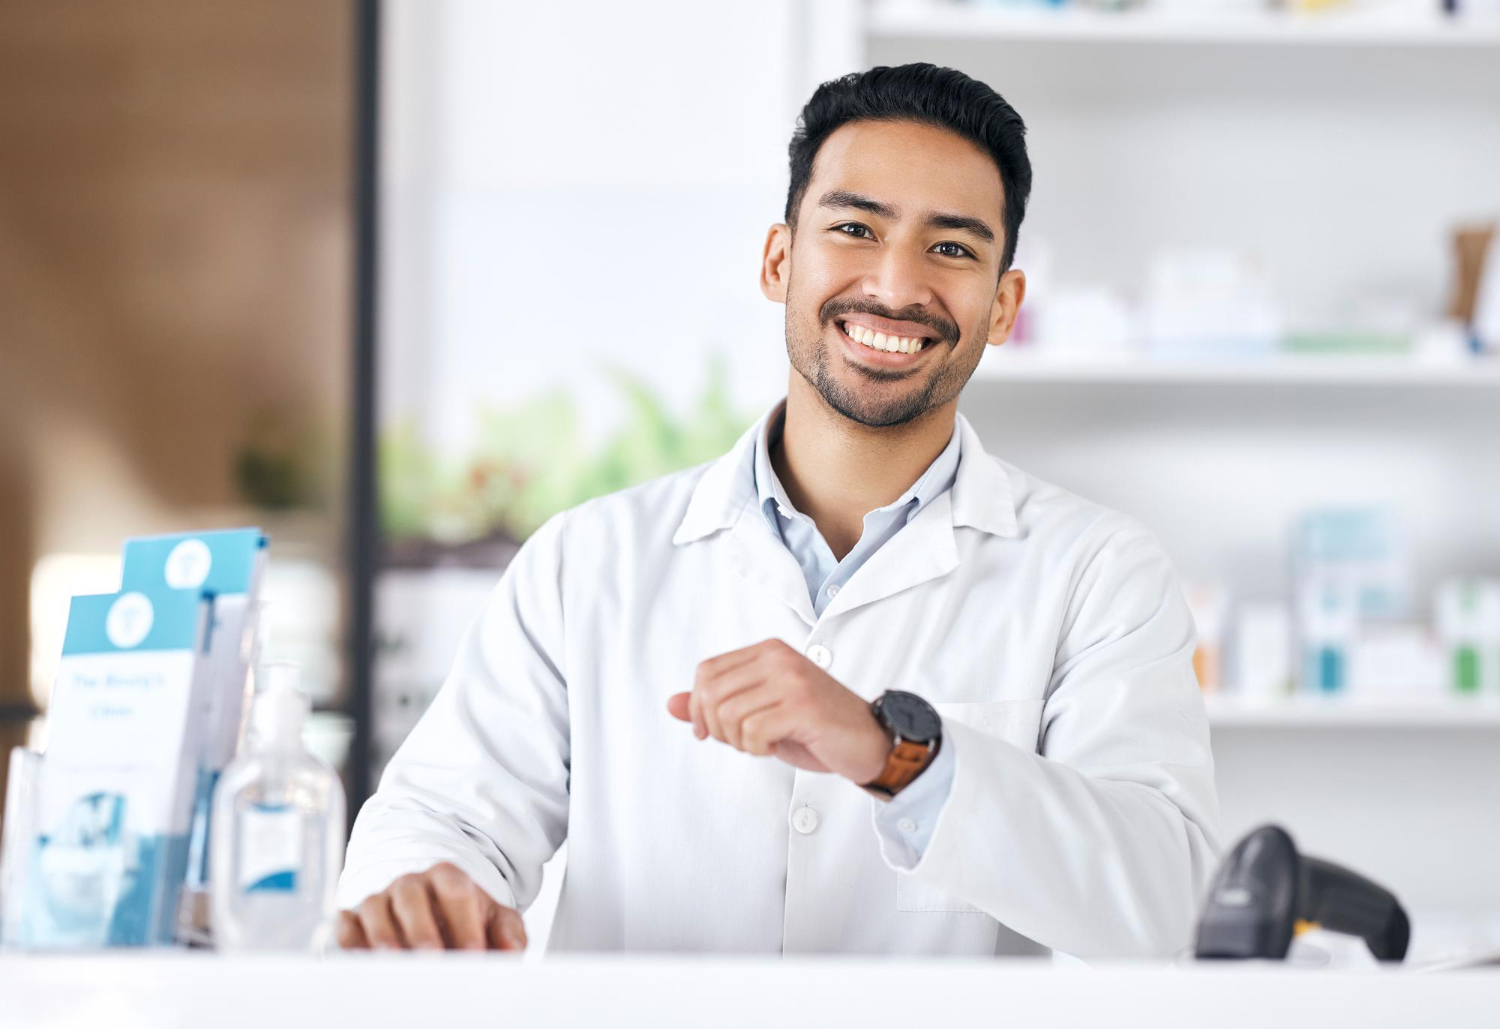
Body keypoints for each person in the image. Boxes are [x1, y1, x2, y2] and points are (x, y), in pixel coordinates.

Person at [336, 63, 1220, 959]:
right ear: (779, 260)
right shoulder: (589, 560)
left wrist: (895, 755)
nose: (895, 283)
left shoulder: (1097, 573)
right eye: (853, 228)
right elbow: (440, 823)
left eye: (951, 248)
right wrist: (425, 890)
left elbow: (1166, 900)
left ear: (1003, 306)